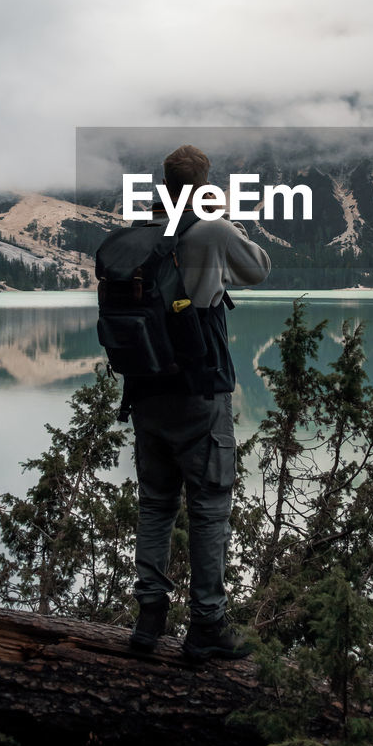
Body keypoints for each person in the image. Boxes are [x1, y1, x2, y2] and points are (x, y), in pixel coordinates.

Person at [126, 144, 271, 660]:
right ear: (205, 180)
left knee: (156, 504)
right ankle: (206, 626)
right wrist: (223, 217)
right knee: (209, 508)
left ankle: (148, 623)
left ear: (164, 181)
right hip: (197, 389)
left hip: (144, 390)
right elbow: (258, 269)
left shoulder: (142, 230)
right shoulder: (210, 229)